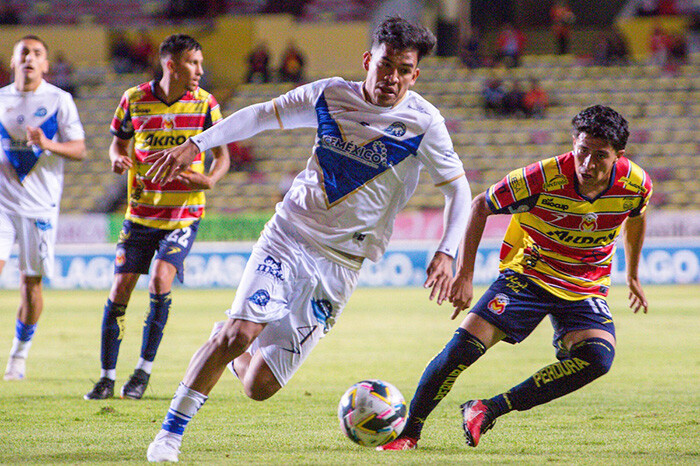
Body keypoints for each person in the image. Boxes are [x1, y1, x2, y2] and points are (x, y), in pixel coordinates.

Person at [143, 17, 471, 462]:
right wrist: (194, 145)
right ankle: (169, 435)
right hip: (289, 236)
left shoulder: (424, 123)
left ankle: (229, 336)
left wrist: (447, 251)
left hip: (340, 266)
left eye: (403, 69)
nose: (391, 77)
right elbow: (260, 115)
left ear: (415, 74)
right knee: (239, 336)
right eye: (384, 64)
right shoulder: (330, 95)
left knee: (258, 386)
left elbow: (458, 189)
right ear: (367, 61)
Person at [378, 105, 653, 451]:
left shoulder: (636, 184)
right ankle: (408, 434)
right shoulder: (542, 177)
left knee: (597, 359)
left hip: (584, 285)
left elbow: (636, 217)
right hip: (529, 274)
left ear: (618, 156)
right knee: (461, 350)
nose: (587, 163)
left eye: (600, 156)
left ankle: (488, 409)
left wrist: (632, 275)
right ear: (573, 143)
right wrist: (465, 274)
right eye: (582, 151)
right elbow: (481, 206)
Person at [83, 34, 229, 401]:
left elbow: (224, 154)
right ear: (171, 65)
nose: (200, 70)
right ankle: (106, 377)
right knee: (119, 290)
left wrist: (210, 178)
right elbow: (118, 141)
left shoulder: (206, 104)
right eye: (193, 63)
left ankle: (143, 373)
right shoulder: (133, 99)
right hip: (140, 213)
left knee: (160, 281)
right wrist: (117, 157)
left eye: (200, 63)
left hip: (183, 215)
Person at [0, 35, 86, 380]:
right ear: (13, 62)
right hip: (3, 204)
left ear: (46, 65)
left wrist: (47, 143)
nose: (29, 59)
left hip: (39, 207)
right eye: (24, 53)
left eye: (37, 54)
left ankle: (19, 355)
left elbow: (79, 150)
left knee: (30, 284)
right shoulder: (0, 100)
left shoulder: (59, 101)